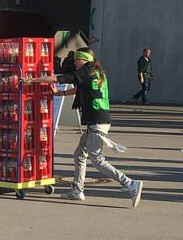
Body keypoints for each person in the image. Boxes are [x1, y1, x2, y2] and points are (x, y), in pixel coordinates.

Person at [25, 48, 142, 207]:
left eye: (77, 59)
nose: (74, 62)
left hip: (97, 123)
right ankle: (77, 191)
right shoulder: (96, 72)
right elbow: (80, 89)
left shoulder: (86, 71)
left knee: (98, 161)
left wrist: (32, 80)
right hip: (99, 121)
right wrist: (60, 95)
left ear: (84, 59)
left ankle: (130, 183)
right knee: (79, 155)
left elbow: (61, 78)